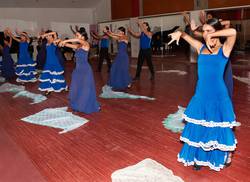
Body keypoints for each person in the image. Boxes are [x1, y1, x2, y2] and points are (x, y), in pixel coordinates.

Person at [168, 18, 238, 171]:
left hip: (218, 95)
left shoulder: (224, 49)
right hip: (201, 94)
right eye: (204, 31)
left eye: (209, 31)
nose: (205, 34)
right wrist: (179, 33)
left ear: (217, 32)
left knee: (216, 127)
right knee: (199, 125)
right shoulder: (201, 47)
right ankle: (199, 157)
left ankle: (219, 156)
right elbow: (186, 36)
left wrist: (213, 35)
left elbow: (233, 32)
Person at [59, 29, 100, 114]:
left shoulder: (86, 44)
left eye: (77, 35)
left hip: (85, 70)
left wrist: (65, 40)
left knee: (86, 89)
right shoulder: (78, 46)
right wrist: (60, 42)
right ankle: (76, 106)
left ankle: (84, 106)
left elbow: (77, 40)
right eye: (76, 35)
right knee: (76, 88)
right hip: (77, 70)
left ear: (83, 37)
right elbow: (67, 45)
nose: (76, 37)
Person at [38, 31, 67, 95]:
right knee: (48, 76)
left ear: (52, 36)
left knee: (57, 76)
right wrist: (41, 36)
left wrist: (45, 34)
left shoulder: (54, 41)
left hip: (54, 61)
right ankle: (48, 89)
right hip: (48, 61)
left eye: (49, 35)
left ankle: (64, 86)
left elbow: (54, 32)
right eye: (47, 36)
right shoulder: (46, 43)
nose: (47, 37)